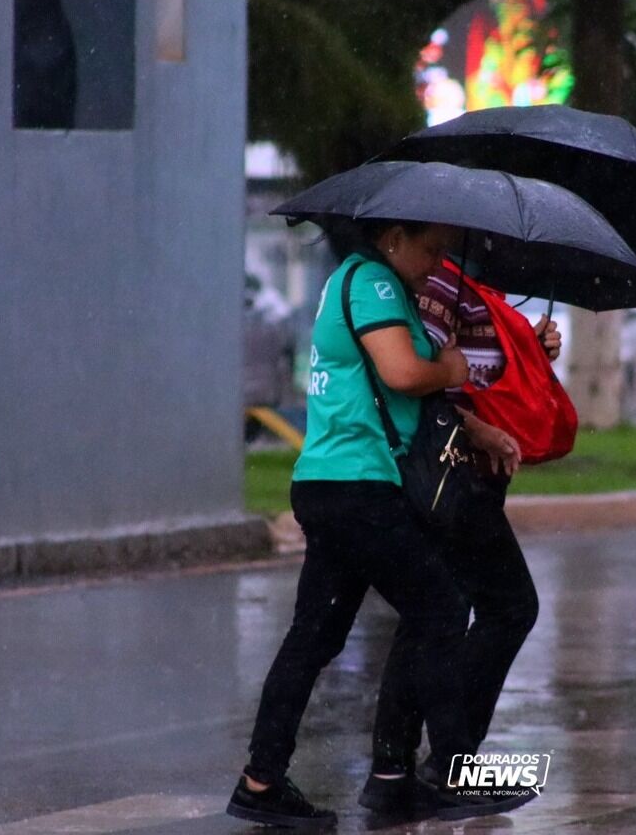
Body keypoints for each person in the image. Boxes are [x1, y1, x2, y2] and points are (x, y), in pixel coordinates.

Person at [227, 221, 534, 829]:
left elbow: (398, 395)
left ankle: (264, 780)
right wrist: (450, 369)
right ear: (394, 236)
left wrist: (472, 421)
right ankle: (451, 772)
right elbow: (402, 374)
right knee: (441, 608)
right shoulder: (373, 282)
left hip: (330, 481)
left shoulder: (358, 281)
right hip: (358, 486)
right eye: (430, 249)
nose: (437, 262)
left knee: (315, 636)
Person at [357, 255, 563, 813]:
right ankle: (451, 764)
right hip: (452, 475)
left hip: (467, 478)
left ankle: (394, 770)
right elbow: (420, 382)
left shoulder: (474, 286)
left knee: (431, 615)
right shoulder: (444, 283)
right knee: (508, 607)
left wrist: (528, 349)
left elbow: (474, 371)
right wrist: (480, 431)